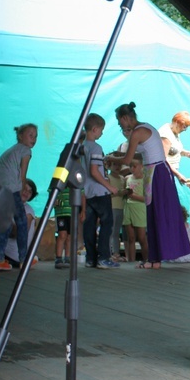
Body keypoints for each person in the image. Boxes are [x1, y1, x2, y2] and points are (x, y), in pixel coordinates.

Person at [112, 102, 190, 269]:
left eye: (121, 123)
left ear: (125, 118)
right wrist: (120, 155)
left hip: (156, 173)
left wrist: (110, 159)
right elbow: (140, 156)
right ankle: (155, 258)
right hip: (157, 171)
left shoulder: (137, 132)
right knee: (155, 212)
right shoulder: (146, 127)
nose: (122, 127)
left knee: (156, 213)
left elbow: (127, 160)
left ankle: (155, 258)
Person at [82, 113, 120, 270]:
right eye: (101, 130)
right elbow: (94, 171)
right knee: (106, 224)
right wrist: (109, 186)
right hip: (100, 191)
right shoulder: (96, 147)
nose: (102, 133)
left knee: (89, 225)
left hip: (87, 191)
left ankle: (90, 258)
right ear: (95, 129)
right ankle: (104, 257)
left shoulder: (81, 147)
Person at [0, 123, 38, 271]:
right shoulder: (25, 150)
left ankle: (1, 258)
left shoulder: (11, 150)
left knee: (6, 222)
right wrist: (21, 188)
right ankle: (23, 258)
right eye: (30, 135)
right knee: (21, 222)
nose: (33, 139)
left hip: (2, 187)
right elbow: (23, 174)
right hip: (11, 188)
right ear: (20, 136)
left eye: (35, 136)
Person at [4, 179, 39, 268]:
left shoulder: (28, 210)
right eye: (24, 188)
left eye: (30, 192)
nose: (26, 192)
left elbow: (20, 233)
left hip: (12, 256)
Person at [123, 154, 148, 264]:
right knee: (131, 237)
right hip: (128, 207)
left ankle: (147, 259)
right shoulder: (127, 178)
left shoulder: (145, 180)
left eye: (134, 166)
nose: (132, 169)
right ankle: (131, 261)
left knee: (142, 238)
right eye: (130, 166)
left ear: (141, 166)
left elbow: (147, 198)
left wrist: (133, 196)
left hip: (140, 209)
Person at [159, 111, 190, 187]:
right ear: (176, 122)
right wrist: (178, 175)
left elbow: (172, 150)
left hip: (169, 173)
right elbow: (162, 160)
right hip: (162, 174)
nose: (185, 130)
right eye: (184, 126)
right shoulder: (165, 135)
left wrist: (186, 153)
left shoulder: (174, 130)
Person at [53, 186, 86, 269]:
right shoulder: (59, 177)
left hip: (73, 213)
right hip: (61, 213)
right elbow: (51, 193)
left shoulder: (76, 180)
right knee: (62, 234)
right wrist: (55, 201)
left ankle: (67, 258)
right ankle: (58, 258)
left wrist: (83, 211)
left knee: (70, 236)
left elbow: (82, 195)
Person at [107, 155, 128, 262]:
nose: (117, 167)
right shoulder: (108, 178)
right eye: (115, 164)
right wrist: (119, 193)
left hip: (121, 207)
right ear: (109, 165)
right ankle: (111, 253)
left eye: (119, 164)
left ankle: (116, 253)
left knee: (116, 232)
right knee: (111, 231)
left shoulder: (122, 179)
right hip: (111, 207)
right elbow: (107, 194)